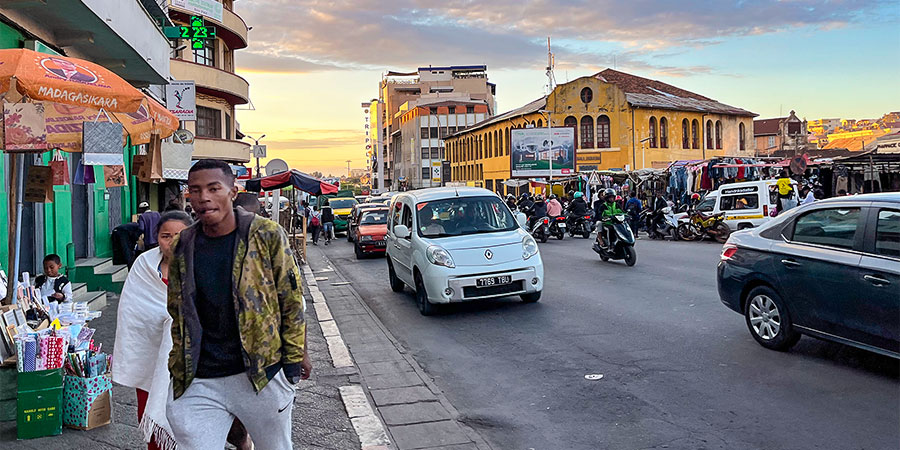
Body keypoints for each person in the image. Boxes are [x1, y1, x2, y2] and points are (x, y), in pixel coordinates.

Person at [166, 159, 310, 450]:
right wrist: (177, 362)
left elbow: (291, 300)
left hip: (260, 373)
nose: (203, 197)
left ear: (232, 192)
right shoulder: (184, 243)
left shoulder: (266, 235)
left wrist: (294, 357)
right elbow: (177, 308)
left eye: (213, 188)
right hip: (201, 376)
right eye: (195, 190)